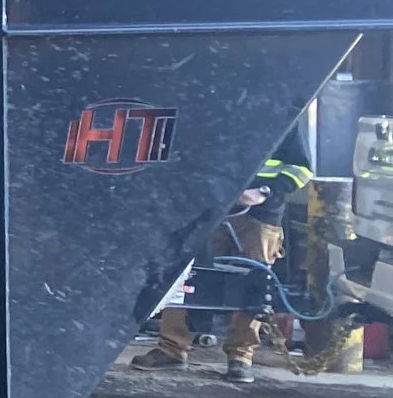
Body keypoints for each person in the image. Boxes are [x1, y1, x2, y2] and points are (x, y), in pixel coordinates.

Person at [135, 122, 316, 381]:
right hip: (208, 210)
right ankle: (172, 348)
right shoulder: (221, 103)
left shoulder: (285, 112)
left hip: (261, 214)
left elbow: (300, 168)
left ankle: (241, 356)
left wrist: (265, 192)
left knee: (253, 285)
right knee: (186, 279)